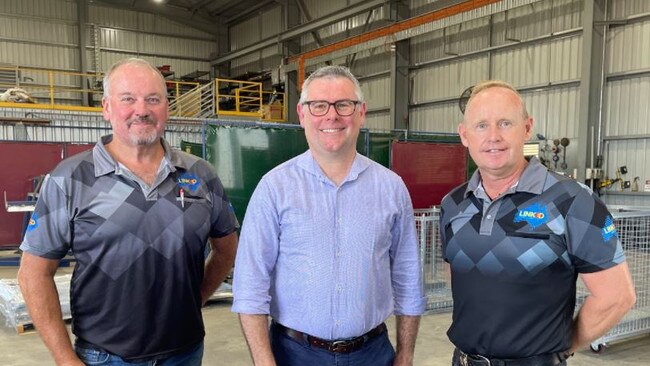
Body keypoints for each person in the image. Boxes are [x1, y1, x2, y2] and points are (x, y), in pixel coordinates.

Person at [17, 58, 239, 365]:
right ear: (107, 108)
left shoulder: (201, 174)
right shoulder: (70, 178)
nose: (142, 110)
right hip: (103, 356)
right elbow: (33, 273)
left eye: (153, 99)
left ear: (166, 107)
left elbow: (227, 250)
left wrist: (195, 299)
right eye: (128, 99)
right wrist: (65, 359)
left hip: (184, 353)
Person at [231, 65, 426, 366]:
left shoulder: (391, 188)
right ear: (302, 113)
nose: (331, 116)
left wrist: (406, 354)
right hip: (293, 354)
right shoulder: (274, 188)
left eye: (343, 105)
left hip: (373, 355)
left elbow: (407, 276)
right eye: (319, 105)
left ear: (361, 112)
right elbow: (250, 284)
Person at [440, 80, 636, 366]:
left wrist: (558, 350)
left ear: (527, 128)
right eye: (481, 125)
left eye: (505, 123)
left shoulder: (573, 202)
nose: (493, 136)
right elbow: (456, 278)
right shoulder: (453, 204)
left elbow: (617, 297)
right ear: (464, 135)